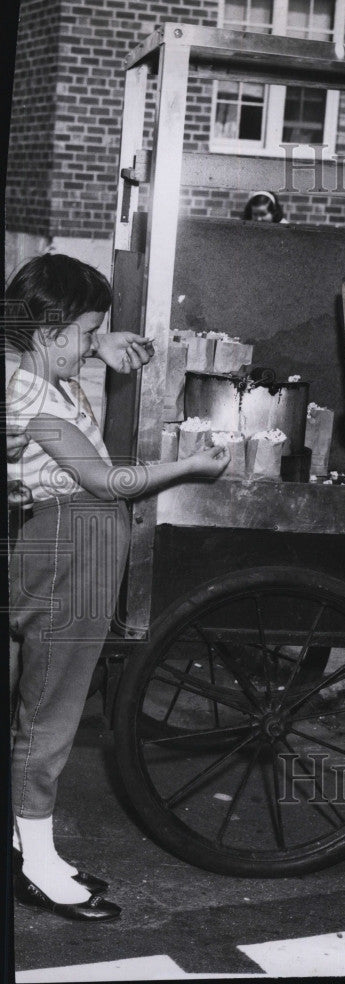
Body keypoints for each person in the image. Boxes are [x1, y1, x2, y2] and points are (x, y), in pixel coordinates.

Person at [5, 254, 231, 922]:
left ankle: (28, 845)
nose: (91, 344)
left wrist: (93, 341)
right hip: (71, 540)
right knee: (53, 705)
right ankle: (38, 866)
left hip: (65, 539)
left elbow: (40, 351)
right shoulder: (33, 396)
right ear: (48, 336)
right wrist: (188, 466)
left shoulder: (35, 368)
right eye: (83, 332)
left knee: (41, 697)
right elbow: (103, 483)